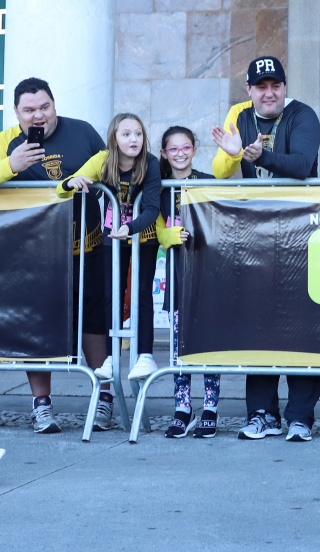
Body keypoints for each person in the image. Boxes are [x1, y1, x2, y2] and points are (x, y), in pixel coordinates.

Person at [211, 55, 320, 442]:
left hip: (299, 233)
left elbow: (303, 164)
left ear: (285, 87)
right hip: (255, 235)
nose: (269, 93)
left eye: (275, 85)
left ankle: (300, 416)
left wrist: (262, 157)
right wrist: (232, 154)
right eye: (261, 87)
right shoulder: (239, 116)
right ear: (249, 90)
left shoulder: (303, 115)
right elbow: (220, 170)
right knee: (257, 324)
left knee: (301, 325)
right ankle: (262, 413)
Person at [0, 77, 107, 433]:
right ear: (17, 112)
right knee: (38, 326)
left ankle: (104, 396)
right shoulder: (7, 142)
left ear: (54, 104)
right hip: (35, 255)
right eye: (29, 110)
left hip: (87, 247)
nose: (38, 116)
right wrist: (11, 164)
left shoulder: (82, 132)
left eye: (44, 107)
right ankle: (41, 405)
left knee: (94, 322)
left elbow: (110, 166)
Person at [58, 113, 162, 432]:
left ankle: (144, 355)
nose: (134, 139)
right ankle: (110, 359)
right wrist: (71, 183)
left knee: (141, 294)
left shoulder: (151, 163)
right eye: (126, 134)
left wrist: (130, 227)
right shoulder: (103, 160)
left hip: (142, 234)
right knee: (110, 295)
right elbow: (66, 187)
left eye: (138, 134)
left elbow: (152, 208)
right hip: (110, 236)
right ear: (114, 138)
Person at [156, 126, 220, 439]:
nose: (180, 154)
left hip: (208, 274)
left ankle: (210, 406)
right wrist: (168, 235)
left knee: (208, 344)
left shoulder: (208, 182)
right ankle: (183, 407)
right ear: (164, 153)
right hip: (179, 276)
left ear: (194, 149)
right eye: (173, 149)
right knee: (179, 345)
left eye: (185, 148)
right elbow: (155, 226)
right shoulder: (159, 187)